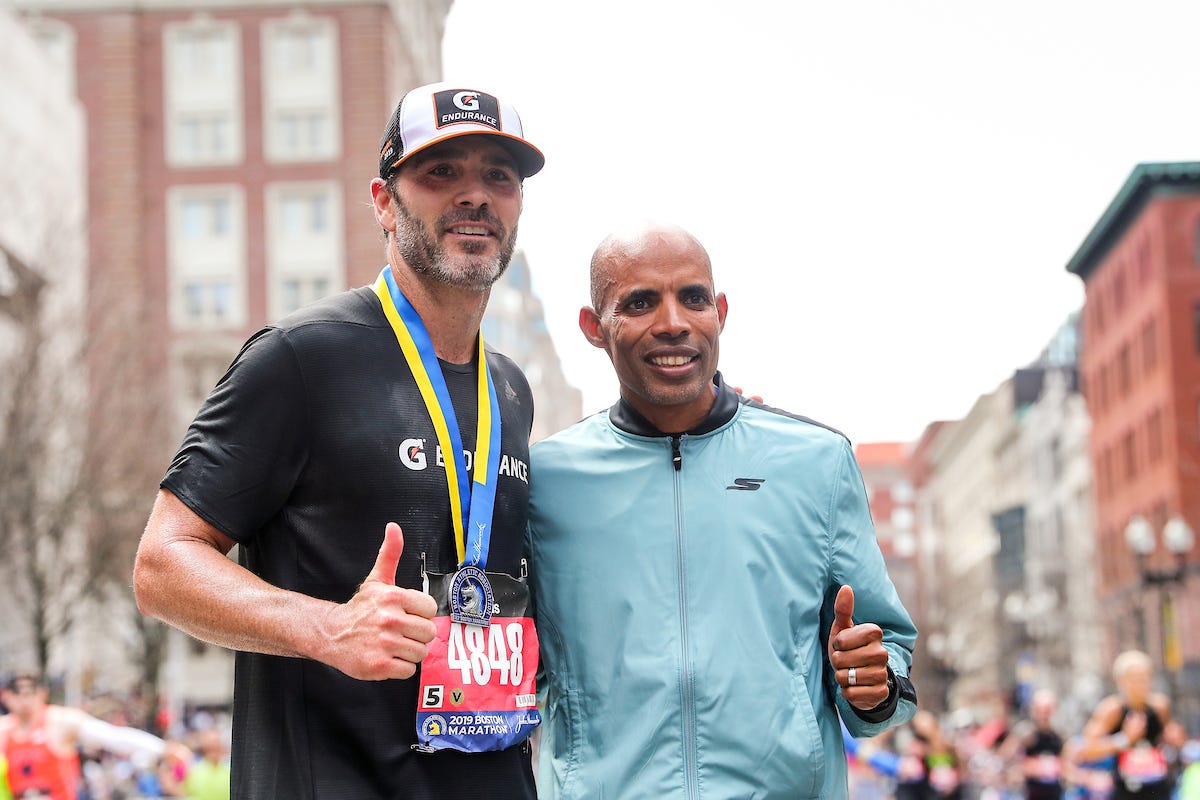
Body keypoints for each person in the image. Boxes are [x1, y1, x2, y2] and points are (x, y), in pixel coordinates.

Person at [133, 81, 545, 799]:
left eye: (498, 176)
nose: (475, 195)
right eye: (441, 172)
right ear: (385, 203)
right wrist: (324, 627)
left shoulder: (509, 388)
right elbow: (162, 566)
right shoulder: (301, 357)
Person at [526, 223, 919, 798]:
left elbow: (886, 650)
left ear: (721, 311)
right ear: (594, 328)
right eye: (639, 303)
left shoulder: (816, 462)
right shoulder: (545, 480)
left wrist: (874, 684)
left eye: (693, 297)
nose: (673, 323)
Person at [0, 674, 178, 800]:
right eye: (17, 693)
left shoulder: (61, 721)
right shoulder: (4, 730)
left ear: (42, 694)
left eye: (29, 692)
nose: (24, 700)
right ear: (6, 696)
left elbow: (111, 736)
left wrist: (162, 748)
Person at [1082, 650, 1182, 799]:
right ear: (1121, 681)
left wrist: (1174, 739)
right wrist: (1124, 739)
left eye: (1146, 677)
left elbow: (1174, 740)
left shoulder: (1160, 706)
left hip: (1158, 787)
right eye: (1136, 679)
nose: (1143, 684)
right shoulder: (1112, 710)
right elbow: (1087, 749)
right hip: (1127, 790)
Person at [1001, 688, 1067, 799]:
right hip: (1030, 792)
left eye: (1049, 709)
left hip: (1054, 792)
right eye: (1042, 709)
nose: (1045, 713)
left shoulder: (1059, 735)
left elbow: (1066, 764)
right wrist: (1027, 767)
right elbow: (1005, 759)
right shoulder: (1025, 732)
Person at [179, 728, 232, 800]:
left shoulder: (229, 771)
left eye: (216, 742)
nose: (214, 745)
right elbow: (185, 794)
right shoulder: (194, 771)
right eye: (212, 744)